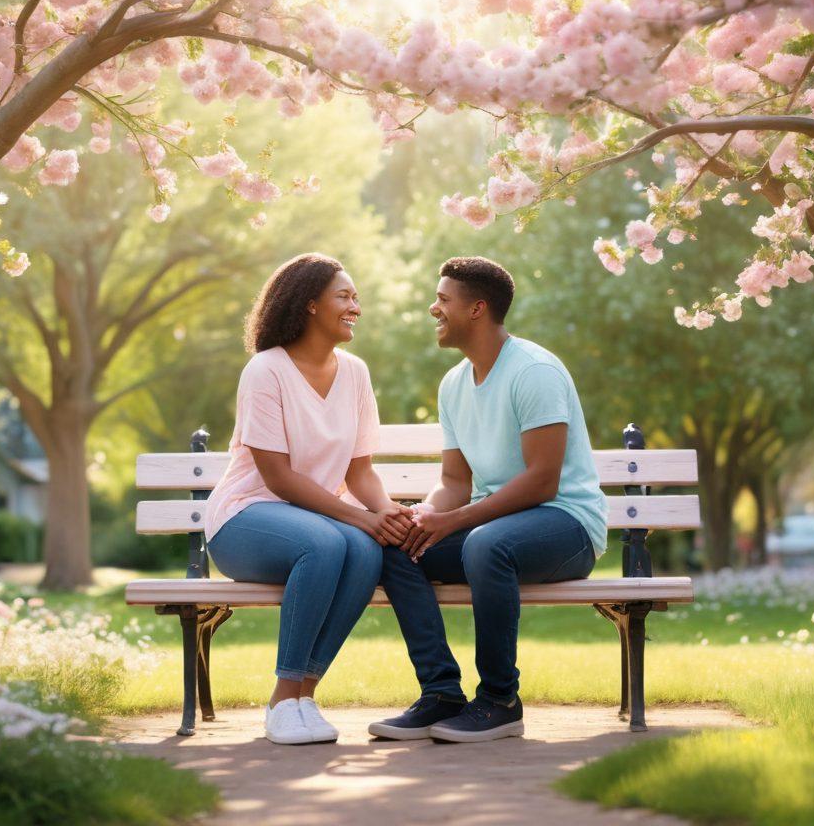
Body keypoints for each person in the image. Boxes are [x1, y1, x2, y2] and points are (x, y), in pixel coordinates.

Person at [369, 256, 608, 743]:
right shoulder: (454, 384)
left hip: (565, 525)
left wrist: (455, 519)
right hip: (493, 529)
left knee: (485, 544)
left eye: (443, 299)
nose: (433, 308)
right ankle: (441, 693)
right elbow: (454, 479)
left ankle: (500, 700)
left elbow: (543, 481)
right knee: (394, 547)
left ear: (477, 308)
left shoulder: (534, 371)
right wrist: (423, 516)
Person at [205, 253, 413, 746]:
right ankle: (282, 699)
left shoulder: (356, 373)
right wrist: (359, 518)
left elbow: (359, 471)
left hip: (314, 520)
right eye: (344, 296)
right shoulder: (265, 371)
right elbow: (277, 477)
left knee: (365, 550)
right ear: (310, 304)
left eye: (355, 297)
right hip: (244, 519)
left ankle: (304, 696)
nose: (355, 306)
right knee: (326, 544)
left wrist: (385, 513)